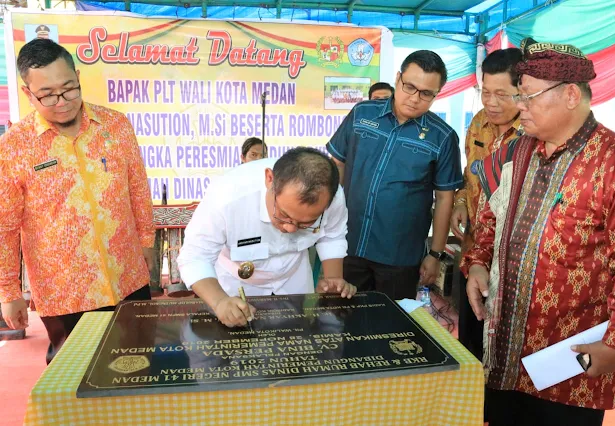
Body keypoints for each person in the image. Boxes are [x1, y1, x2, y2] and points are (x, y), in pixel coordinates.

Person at [461, 38, 615, 426]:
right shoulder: (520, 149)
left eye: (527, 97)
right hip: (506, 350)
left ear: (570, 95)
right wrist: (477, 263)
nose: (518, 107)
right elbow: (493, 211)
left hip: (571, 365)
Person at [0, 39, 155, 363]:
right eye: (48, 95)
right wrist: (8, 292)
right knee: (74, 383)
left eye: (69, 88)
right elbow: (6, 226)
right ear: (29, 94)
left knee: (139, 366)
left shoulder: (116, 126)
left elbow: (138, 189)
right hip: (65, 293)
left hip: (127, 278)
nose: (62, 102)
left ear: (79, 77)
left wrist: (147, 244)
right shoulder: (13, 147)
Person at [327, 50, 462, 300]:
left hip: (399, 256)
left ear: (436, 94)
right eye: (409, 86)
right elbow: (338, 164)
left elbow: (445, 198)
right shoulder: (362, 114)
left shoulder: (442, 137)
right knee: (341, 321)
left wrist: (435, 255)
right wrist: (328, 219)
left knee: (392, 328)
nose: (414, 98)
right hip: (348, 243)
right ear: (398, 78)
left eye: (426, 93)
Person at [177, 147, 356, 328]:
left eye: (305, 223)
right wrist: (219, 301)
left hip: (293, 278)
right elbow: (195, 257)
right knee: (237, 345)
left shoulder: (331, 196)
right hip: (235, 285)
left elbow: (332, 235)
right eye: (284, 215)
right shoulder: (227, 196)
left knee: (295, 338)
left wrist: (333, 281)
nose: (290, 229)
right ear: (269, 179)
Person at [450, 48, 523, 360]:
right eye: (485, 92)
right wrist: (461, 201)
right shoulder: (479, 122)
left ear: (524, 91)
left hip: (509, 261)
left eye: (501, 95)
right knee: (469, 337)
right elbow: (470, 172)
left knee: (501, 347)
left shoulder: (530, 133)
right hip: (472, 251)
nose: (491, 103)